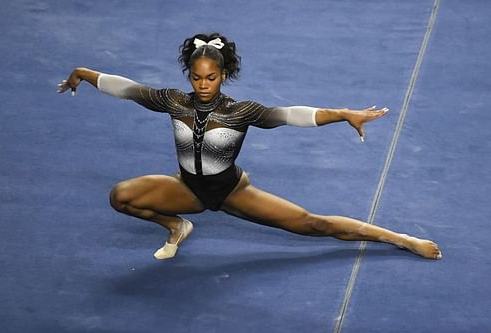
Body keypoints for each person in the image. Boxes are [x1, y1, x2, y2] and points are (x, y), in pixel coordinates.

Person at [58, 32, 441, 260]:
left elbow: (291, 114)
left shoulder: (242, 112)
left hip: (230, 192)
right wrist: (85, 73)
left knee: (312, 225)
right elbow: (128, 89)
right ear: (189, 76)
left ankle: (401, 239)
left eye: (210, 77)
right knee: (121, 196)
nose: (203, 84)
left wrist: (342, 113)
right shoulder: (173, 101)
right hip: (187, 189)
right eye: (196, 77)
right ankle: (176, 225)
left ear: (223, 75)